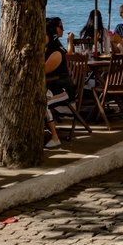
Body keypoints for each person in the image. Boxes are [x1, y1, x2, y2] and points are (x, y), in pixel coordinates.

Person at [43, 18, 75, 149]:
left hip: (63, 89)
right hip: (49, 88)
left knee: (42, 103)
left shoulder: (56, 52)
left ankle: (54, 137)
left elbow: (42, 70)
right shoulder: (45, 50)